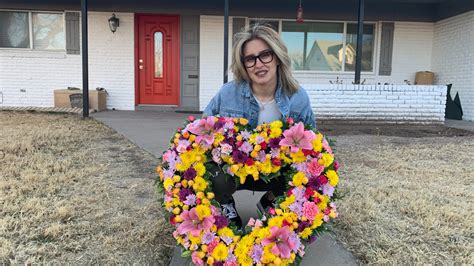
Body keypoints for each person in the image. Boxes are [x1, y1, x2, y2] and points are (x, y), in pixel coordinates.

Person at [204, 24, 316, 228]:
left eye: (265, 55)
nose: (259, 64)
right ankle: (227, 205)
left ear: (278, 57)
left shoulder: (298, 98)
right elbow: (203, 129)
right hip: (235, 170)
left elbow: (312, 145)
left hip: (276, 172)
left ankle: (271, 201)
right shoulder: (228, 93)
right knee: (212, 172)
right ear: (244, 65)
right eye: (250, 58)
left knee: (300, 174)